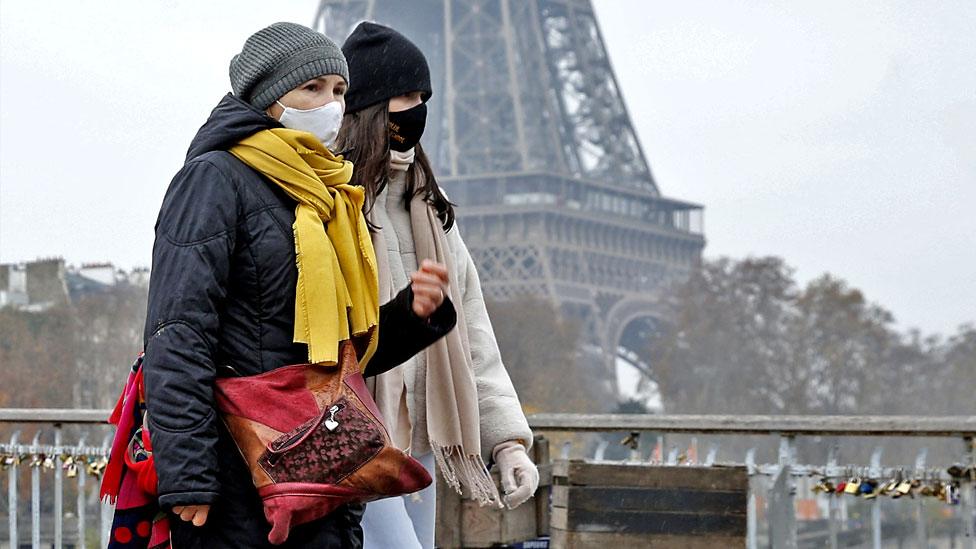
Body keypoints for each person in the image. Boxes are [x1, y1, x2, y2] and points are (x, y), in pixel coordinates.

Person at [142, 22, 457, 548]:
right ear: (268, 99)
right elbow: (177, 334)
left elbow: (335, 360)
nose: (331, 104)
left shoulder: (324, 192)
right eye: (312, 88)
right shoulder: (215, 178)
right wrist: (190, 475)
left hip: (317, 470)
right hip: (238, 474)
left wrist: (411, 315)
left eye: (339, 90)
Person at [336, 22, 541, 549]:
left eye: (423, 96)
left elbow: (471, 328)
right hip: (355, 433)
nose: (417, 107)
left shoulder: (430, 205)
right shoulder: (331, 202)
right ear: (371, 104)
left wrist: (508, 443)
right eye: (405, 95)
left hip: (422, 435)